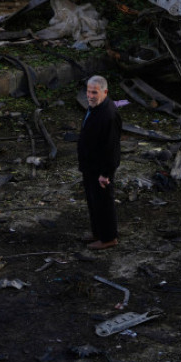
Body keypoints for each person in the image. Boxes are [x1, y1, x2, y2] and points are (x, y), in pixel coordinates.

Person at [77, 75, 122, 250]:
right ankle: (98, 233)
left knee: (103, 203)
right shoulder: (95, 108)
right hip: (90, 166)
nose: (90, 96)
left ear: (105, 92)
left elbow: (112, 148)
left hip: (100, 169)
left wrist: (106, 173)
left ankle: (109, 238)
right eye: (88, 92)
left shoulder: (109, 114)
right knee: (93, 200)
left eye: (94, 92)